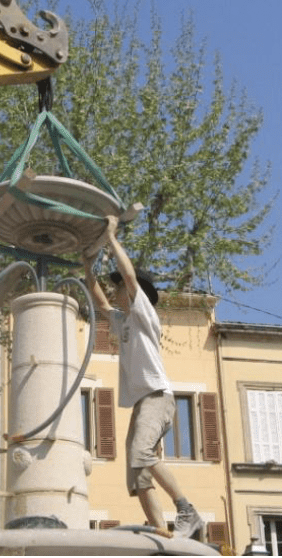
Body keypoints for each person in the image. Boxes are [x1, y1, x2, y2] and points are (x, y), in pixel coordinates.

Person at [83, 215, 203, 539]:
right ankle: (160, 531)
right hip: (142, 403)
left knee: (141, 453)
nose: (117, 288)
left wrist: (111, 237)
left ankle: (186, 510)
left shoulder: (144, 313)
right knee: (137, 473)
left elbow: (130, 276)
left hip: (158, 397)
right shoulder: (122, 320)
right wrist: (84, 264)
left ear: (135, 293)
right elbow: (101, 300)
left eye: (119, 285)